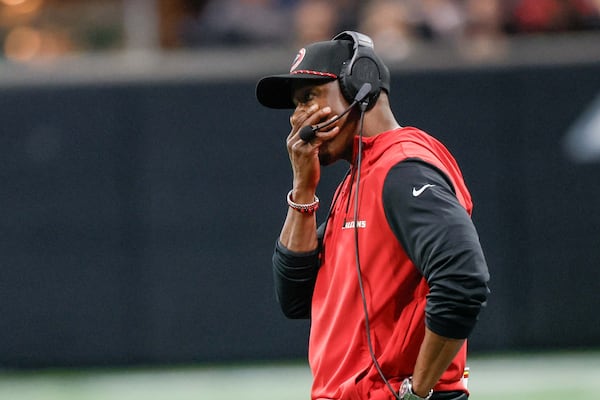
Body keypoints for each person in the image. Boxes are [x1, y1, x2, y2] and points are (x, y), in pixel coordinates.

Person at [255, 31, 490, 400]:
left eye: (309, 98)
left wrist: (418, 391)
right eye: (295, 106)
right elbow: (296, 298)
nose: (298, 119)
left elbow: (464, 280)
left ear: (359, 85)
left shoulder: (403, 168)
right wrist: (303, 190)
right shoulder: (358, 178)